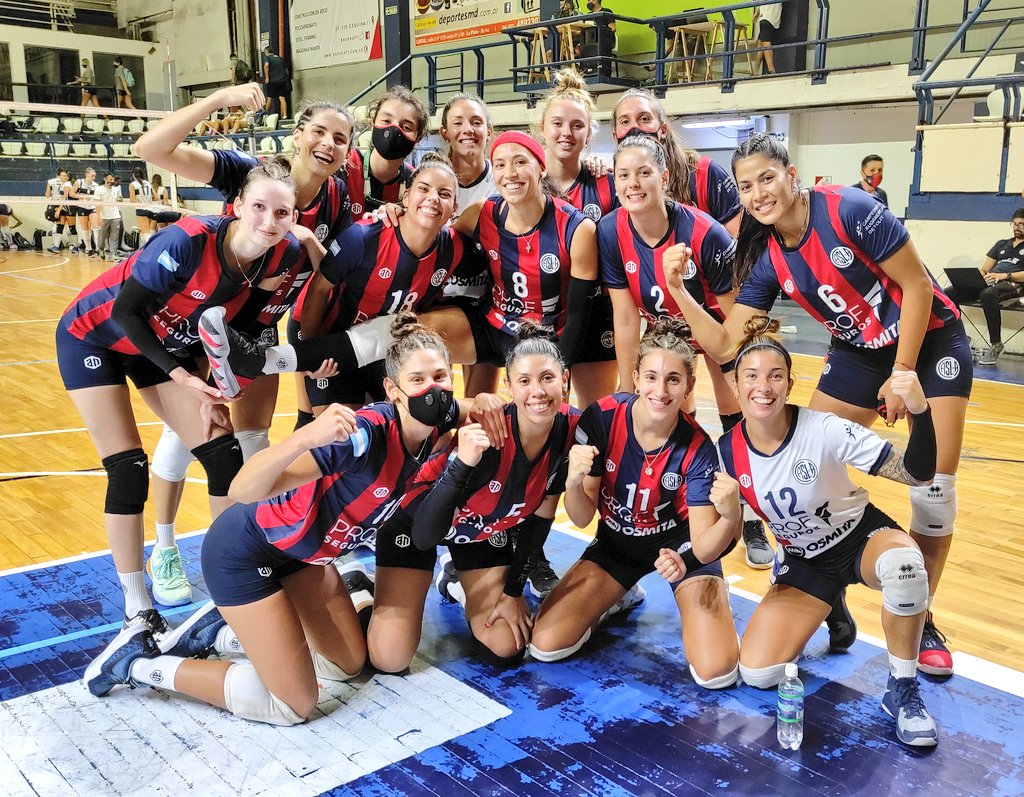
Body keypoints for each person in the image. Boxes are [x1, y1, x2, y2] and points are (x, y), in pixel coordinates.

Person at [81, 315, 502, 725]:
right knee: (294, 705)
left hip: (305, 557)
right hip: (246, 554)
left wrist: (484, 401)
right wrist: (304, 437)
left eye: (441, 376)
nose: (432, 389)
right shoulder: (362, 436)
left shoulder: (440, 419)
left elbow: (469, 407)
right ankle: (137, 664)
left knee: (347, 664)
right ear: (392, 389)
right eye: (418, 380)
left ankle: (222, 636)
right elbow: (243, 489)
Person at [661, 133, 971, 676]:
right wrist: (681, 290)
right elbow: (727, 344)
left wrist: (902, 371)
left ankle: (923, 621)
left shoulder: (850, 209)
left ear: (791, 175)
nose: (758, 193)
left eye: (767, 178)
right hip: (858, 352)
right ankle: (826, 584)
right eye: (746, 186)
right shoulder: (766, 257)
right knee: (792, 456)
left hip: (930, 340)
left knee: (934, 491)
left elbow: (918, 286)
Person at [56, 161, 302, 633]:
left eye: (281, 212)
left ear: (293, 217)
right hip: (96, 337)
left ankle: (234, 590)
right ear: (237, 206)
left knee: (225, 456)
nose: (268, 221)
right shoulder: (187, 240)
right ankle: (137, 607)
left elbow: (237, 330)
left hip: (165, 347)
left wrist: (211, 383)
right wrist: (182, 377)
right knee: (128, 468)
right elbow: (127, 312)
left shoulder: (282, 255)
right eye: (258, 207)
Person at [134, 86, 355, 594]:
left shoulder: (337, 198)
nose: (327, 143)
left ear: (348, 151)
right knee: (190, 437)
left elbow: (334, 276)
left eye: (340, 138)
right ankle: (164, 548)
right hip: (205, 326)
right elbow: (150, 149)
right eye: (318, 131)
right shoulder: (248, 173)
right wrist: (220, 99)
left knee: (254, 440)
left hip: (259, 332)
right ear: (298, 135)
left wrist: (309, 241)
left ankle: (245, 549)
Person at [708, 320, 939, 747]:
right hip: (804, 560)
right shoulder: (724, 453)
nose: (763, 387)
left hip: (859, 538)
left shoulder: (825, 428)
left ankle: (902, 689)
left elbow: (917, 474)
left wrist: (920, 412)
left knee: (905, 568)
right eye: (751, 376)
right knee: (758, 673)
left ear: (790, 384)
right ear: (734, 387)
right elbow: (720, 538)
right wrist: (725, 516)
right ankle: (831, 601)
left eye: (775, 376)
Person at [528, 318, 742, 690]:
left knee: (716, 672)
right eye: (652, 377)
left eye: (673, 379)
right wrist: (573, 481)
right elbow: (582, 517)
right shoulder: (603, 417)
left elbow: (705, 545)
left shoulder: (698, 448)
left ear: (690, 385)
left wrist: (723, 524)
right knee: (545, 645)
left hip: (681, 550)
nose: (661, 390)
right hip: (617, 546)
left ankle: (712, 603)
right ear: (636, 378)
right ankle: (619, 593)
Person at [598, 134, 771, 569]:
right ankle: (682, 508)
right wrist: (627, 390)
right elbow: (625, 317)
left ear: (664, 177)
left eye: (643, 173)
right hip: (667, 336)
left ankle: (750, 519)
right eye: (623, 175)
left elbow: (735, 324)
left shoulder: (705, 233)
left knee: (740, 419)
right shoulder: (611, 230)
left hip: (716, 329)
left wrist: (739, 373)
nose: (633, 183)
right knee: (669, 416)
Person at [369, 324, 577, 670]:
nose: (538, 392)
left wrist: (512, 592)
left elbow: (541, 520)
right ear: (509, 385)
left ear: (564, 380)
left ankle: (456, 580)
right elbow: (424, 535)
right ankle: (361, 590)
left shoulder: (570, 431)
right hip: (417, 524)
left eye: (547, 378)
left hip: (478, 531)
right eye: (525, 380)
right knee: (390, 658)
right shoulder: (485, 434)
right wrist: (462, 464)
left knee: (507, 644)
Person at [296, 155, 483, 414]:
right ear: (406, 198)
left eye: (444, 194)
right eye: (424, 189)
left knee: (424, 424)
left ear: (454, 209)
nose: (433, 198)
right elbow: (318, 290)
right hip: (339, 343)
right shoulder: (363, 237)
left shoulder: (455, 248)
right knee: (339, 430)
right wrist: (312, 350)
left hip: (391, 355)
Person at [537, 68, 618, 407]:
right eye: (557, 123)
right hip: (540, 316)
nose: (566, 133)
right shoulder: (525, 185)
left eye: (577, 126)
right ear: (542, 128)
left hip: (597, 314)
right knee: (542, 414)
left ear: (589, 134)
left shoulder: (608, 184)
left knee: (596, 415)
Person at [612, 90, 742, 236]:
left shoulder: (704, 172)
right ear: (615, 136)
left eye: (644, 119)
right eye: (625, 122)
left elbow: (740, 237)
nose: (634, 128)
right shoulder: (617, 185)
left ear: (663, 130)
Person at [436, 93, 499, 398]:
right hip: (436, 299)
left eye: (476, 122)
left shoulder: (503, 179)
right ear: (444, 132)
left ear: (489, 130)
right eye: (458, 123)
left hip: (486, 304)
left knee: (478, 404)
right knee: (435, 400)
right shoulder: (431, 179)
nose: (468, 130)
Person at [944, 207, 1024, 365]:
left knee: (987, 294)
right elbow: (985, 268)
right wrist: (977, 277)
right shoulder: (1002, 244)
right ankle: (960, 336)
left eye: (1021, 224)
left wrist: (1005, 275)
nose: (1017, 227)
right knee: (948, 293)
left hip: (1014, 283)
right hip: (991, 281)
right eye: (1015, 224)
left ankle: (996, 344)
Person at [346, 85, 427, 217]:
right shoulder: (346, 165)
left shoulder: (414, 181)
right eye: (386, 121)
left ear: (417, 138)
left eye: (406, 127)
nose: (394, 130)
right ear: (372, 123)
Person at [70, 166, 101, 256]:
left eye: (94, 176)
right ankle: (88, 248)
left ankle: (98, 248)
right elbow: (71, 193)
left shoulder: (96, 185)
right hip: (82, 207)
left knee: (95, 227)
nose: (94, 177)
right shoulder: (79, 182)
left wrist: (92, 198)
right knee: (85, 229)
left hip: (92, 207)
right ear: (86, 174)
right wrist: (81, 197)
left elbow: (98, 197)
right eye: (92, 175)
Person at [93, 172, 123, 260]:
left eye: (113, 179)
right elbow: (97, 204)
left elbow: (120, 199)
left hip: (115, 216)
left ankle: (113, 254)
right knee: (102, 236)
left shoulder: (116, 189)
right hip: (104, 217)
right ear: (105, 179)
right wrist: (98, 217)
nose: (112, 181)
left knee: (114, 237)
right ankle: (101, 250)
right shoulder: (99, 189)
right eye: (110, 179)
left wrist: (120, 199)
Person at [129, 167, 155, 248]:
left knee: (146, 235)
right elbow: (156, 197)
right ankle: (144, 251)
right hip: (151, 210)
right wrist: (147, 199)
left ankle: (153, 250)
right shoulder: (147, 183)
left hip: (141, 210)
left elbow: (132, 200)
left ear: (133, 175)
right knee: (150, 234)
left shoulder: (133, 184)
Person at [754, 2, 783, 75]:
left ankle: (771, 71)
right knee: (760, 43)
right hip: (767, 13)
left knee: (765, 42)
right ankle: (755, 71)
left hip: (767, 14)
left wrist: (757, 11)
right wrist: (757, 11)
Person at [262, 46, 289, 119]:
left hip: (273, 81)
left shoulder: (267, 58)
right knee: (282, 98)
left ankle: (265, 115)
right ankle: (285, 115)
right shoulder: (279, 58)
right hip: (282, 80)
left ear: (266, 52)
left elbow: (266, 65)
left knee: (269, 98)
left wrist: (267, 77)